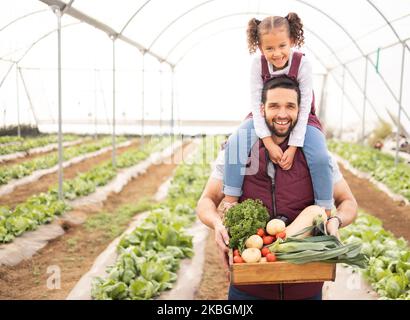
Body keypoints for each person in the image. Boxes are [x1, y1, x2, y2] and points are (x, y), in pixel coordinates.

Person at [196, 76, 358, 300]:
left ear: (300, 111)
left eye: (290, 106)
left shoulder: (318, 158)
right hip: (250, 285)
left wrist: (335, 221)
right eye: (274, 106)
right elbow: (206, 201)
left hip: (305, 285)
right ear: (261, 109)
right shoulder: (238, 153)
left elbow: (347, 202)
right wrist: (216, 225)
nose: (282, 114)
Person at [222, 13, 333, 218]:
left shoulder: (303, 64)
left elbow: (305, 103)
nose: (277, 53)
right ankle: (230, 199)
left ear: (292, 41)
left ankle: (324, 210)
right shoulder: (257, 64)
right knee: (236, 142)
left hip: (301, 116)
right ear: (260, 47)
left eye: (282, 46)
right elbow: (256, 105)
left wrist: (293, 146)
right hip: (263, 115)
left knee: (320, 157)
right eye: (269, 48)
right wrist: (269, 143)